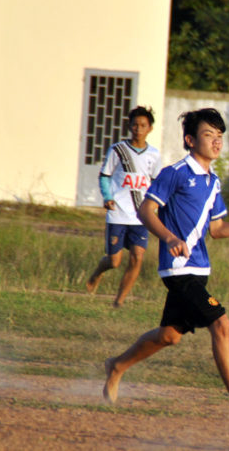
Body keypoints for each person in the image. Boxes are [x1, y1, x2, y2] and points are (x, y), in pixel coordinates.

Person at [102, 108, 229, 420]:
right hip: (177, 270)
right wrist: (169, 238)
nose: (216, 141)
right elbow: (146, 212)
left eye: (220, 136)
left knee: (169, 336)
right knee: (221, 324)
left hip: (198, 271)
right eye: (209, 135)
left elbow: (218, 229)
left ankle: (117, 365)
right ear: (190, 139)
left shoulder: (213, 181)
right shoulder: (175, 173)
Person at [86, 105, 161, 308]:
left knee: (137, 257)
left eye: (143, 125)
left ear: (150, 129)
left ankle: (119, 300)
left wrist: (156, 207)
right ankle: (96, 274)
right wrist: (107, 196)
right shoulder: (118, 150)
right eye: (135, 125)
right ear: (129, 126)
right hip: (118, 212)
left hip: (141, 215)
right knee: (114, 261)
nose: (138, 129)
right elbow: (105, 175)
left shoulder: (153, 155)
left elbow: (156, 183)